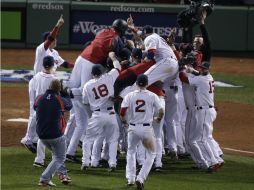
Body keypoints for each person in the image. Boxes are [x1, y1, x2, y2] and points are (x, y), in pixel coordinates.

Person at [120, 74, 164, 189]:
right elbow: (161, 110)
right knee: (152, 153)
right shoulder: (152, 95)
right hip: (146, 129)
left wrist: (124, 122)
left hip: (133, 129)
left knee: (131, 152)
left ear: (136, 83)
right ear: (147, 84)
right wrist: (158, 119)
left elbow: (122, 112)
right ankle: (141, 178)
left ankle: (130, 179)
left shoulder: (129, 96)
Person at [179, 61, 224, 172]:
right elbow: (198, 74)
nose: (202, 70)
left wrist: (181, 69)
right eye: (201, 68)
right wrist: (192, 70)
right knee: (206, 137)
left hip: (204, 112)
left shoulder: (200, 80)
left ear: (208, 69)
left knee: (201, 139)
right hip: (209, 110)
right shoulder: (209, 77)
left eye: (204, 68)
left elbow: (185, 79)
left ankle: (214, 162)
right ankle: (217, 158)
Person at [81, 52, 121, 171]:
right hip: (111, 114)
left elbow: (85, 102)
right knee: (113, 140)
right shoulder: (108, 77)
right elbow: (118, 67)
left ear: (92, 74)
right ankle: (112, 163)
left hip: (97, 115)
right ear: (102, 71)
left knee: (88, 139)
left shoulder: (87, 85)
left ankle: (86, 162)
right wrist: (113, 57)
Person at [34, 79, 72, 186]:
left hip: (41, 135)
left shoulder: (39, 98)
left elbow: (35, 107)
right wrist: (66, 96)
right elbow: (69, 106)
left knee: (57, 155)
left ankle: (63, 174)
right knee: (60, 157)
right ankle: (44, 179)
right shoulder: (59, 100)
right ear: (59, 89)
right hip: (56, 135)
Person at [21, 56, 56, 156]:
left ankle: (30, 139)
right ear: (53, 65)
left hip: (37, 101)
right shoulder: (53, 79)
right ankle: (30, 140)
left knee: (34, 115)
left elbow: (33, 87)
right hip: (45, 105)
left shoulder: (36, 76)